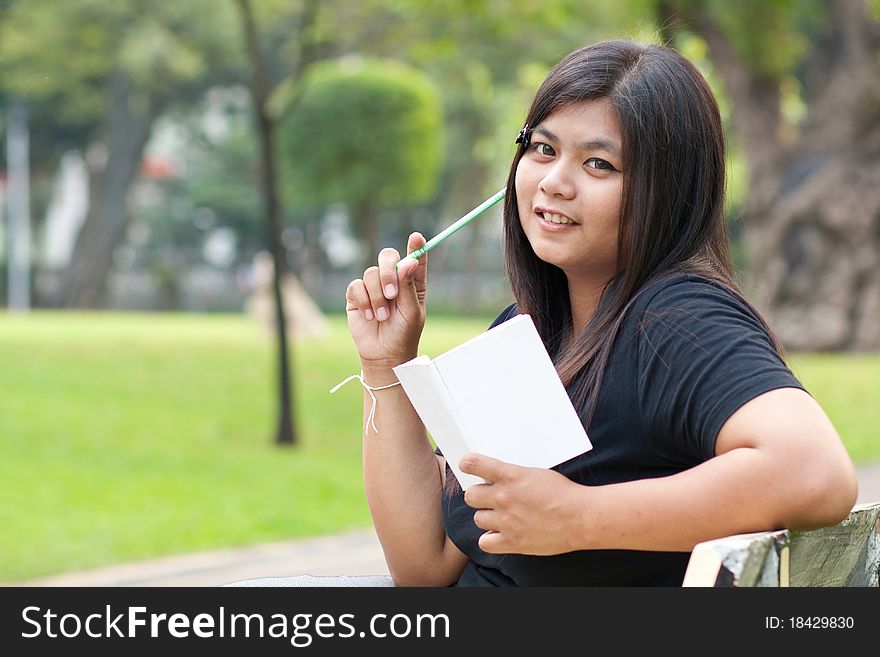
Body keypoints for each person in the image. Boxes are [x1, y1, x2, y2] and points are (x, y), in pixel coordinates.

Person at [342, 39, 859, 587]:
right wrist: (385, 363)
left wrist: (575, 517)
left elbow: (815, 473)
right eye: (542, 149)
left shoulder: (679, 320)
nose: (553, 182)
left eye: (598, 162)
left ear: (667, 189)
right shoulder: (530, 329)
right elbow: (424, 565)